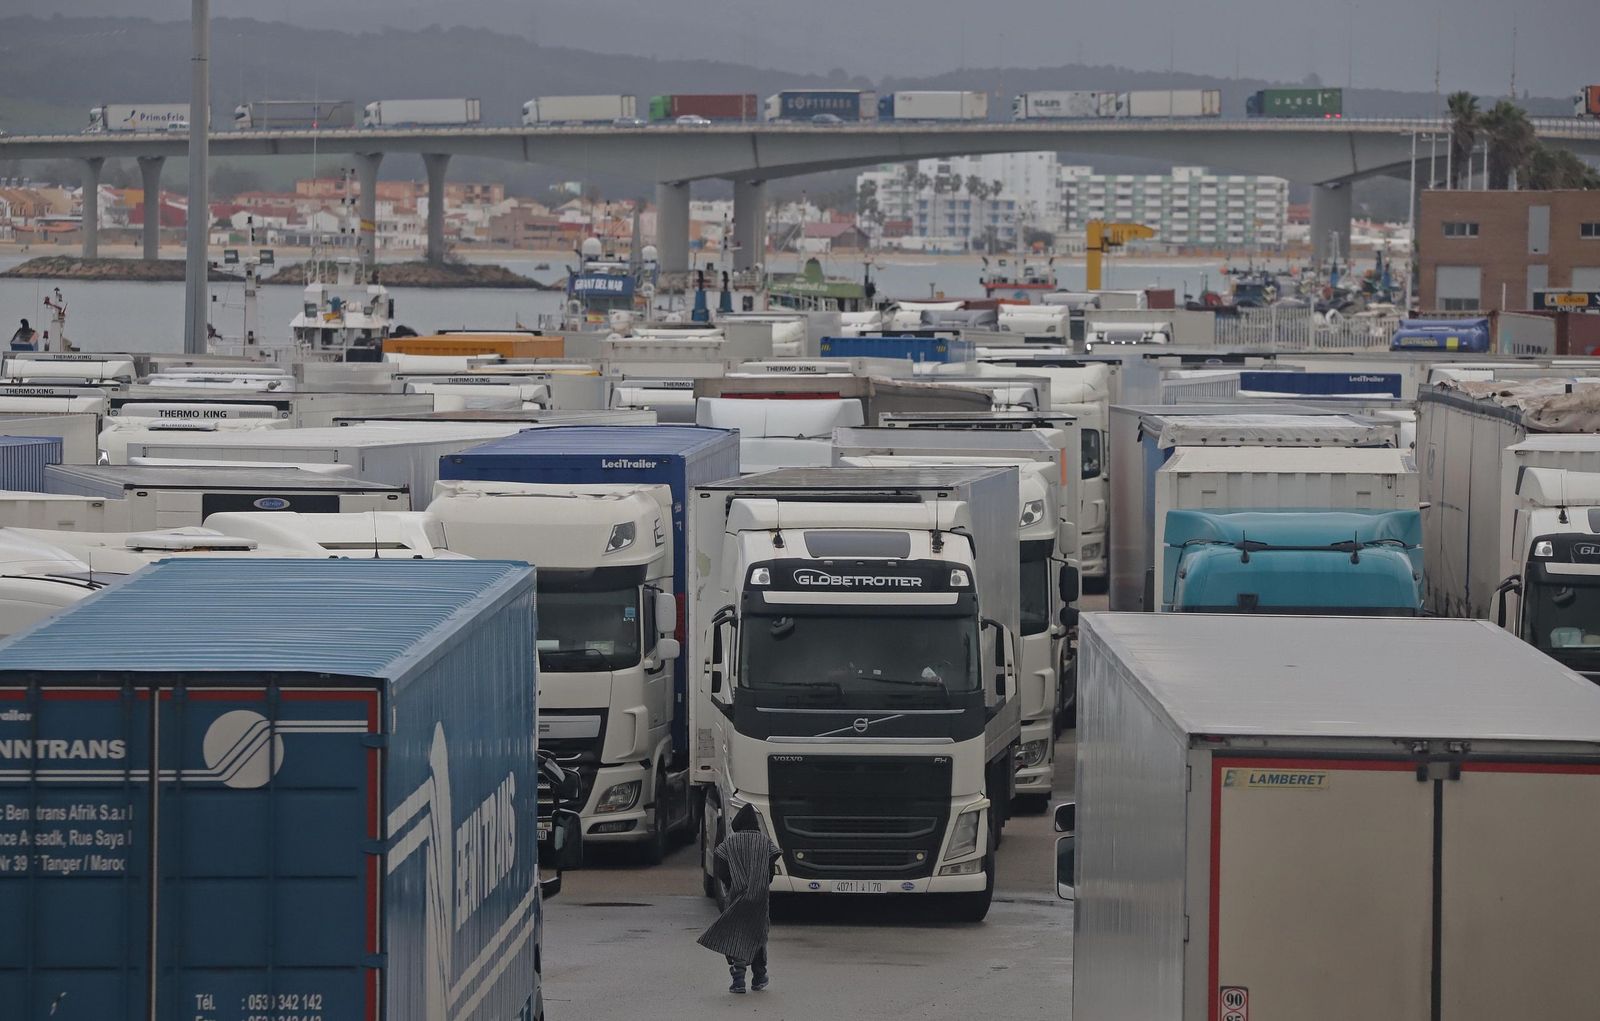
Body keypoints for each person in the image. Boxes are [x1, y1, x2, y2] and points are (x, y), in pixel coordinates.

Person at [697, 804, 780, 994]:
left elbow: (720, 870)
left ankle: (738, 979)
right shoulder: (765, 842)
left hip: (736, 896)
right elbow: (771, 870)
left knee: (735, 935)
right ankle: (759, 976)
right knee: (758, 934)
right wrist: (762, 883)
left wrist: (731, 884)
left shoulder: (729, 843)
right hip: (759, 899)